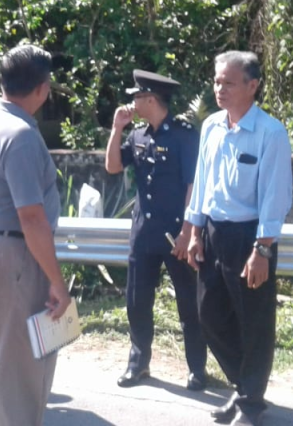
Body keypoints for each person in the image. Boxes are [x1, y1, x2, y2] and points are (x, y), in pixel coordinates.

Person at [184, 50, 293, 426]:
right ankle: (244, 384)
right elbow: (202, 181)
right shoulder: (211, 126)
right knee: (209, 315)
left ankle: (249, 402)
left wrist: (262, 249)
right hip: (213, 233)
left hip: (250, 238)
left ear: (252, 85)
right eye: (217, 81)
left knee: (254, 323)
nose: (220, 89)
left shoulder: (270, 133)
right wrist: (194, 231)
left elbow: (275, 196)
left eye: (228, 83)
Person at [0, 44, 71, 426]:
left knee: (13, 353)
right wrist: (56, 281)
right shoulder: (20, 135)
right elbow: (31, 218)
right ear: (42, 89)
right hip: (18, 252)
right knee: (24, 363)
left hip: (0, 245)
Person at [105, 69, 207, 391]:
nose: (132, 103)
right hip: (144, 232)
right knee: (137, 301)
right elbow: (113, 166)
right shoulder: (137, 135)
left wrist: (188, 232)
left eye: (137, 97)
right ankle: (138, 363)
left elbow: (193, 185)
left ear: (151, 99)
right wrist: (117, 129)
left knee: (189, 303)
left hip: (176, 233)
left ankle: (197, 368)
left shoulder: (184, 135)